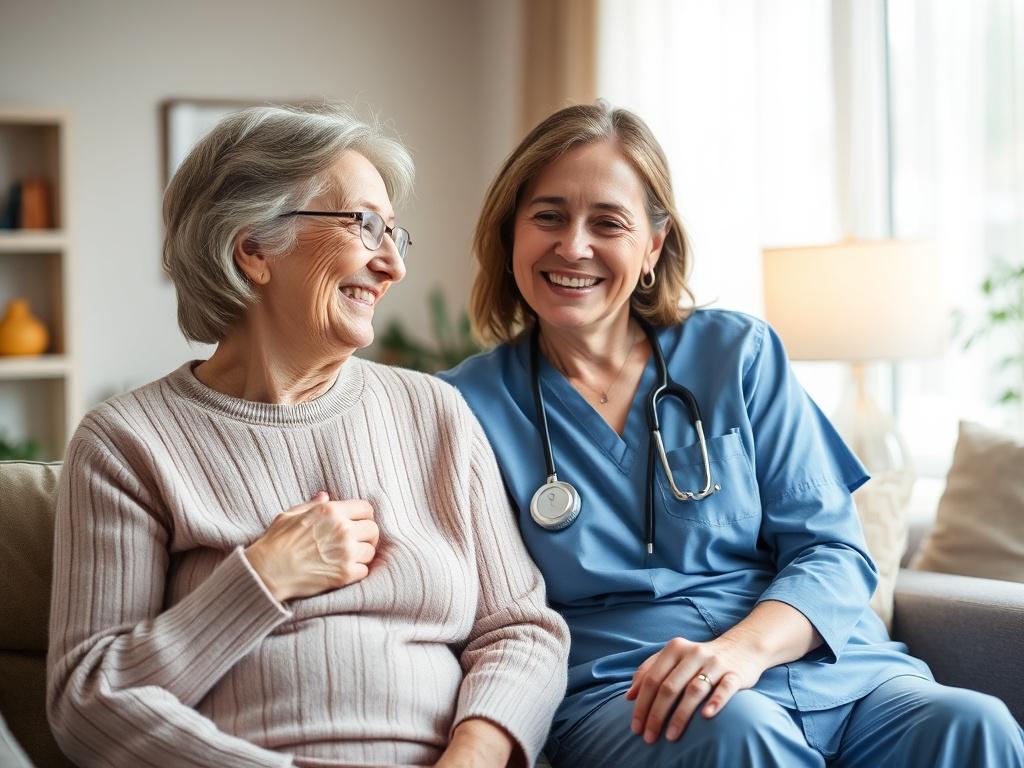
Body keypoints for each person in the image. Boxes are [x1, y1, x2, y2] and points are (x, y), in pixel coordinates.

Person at [439, 102, 1024, 768]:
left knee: (976, 725)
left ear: (653, 247)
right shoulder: (465, 405)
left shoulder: (736, 353)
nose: (574, 246)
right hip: (635, 691)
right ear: (509, 233)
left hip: (822, 667)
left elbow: (834, 552)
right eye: (548, 216)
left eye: (608, 222)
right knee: (741, 735)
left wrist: (742, 651)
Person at [46, 104, 569, 768]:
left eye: (395, 234)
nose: (392, 265)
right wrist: (262, 577)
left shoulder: (435, 413)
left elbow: (521, 630)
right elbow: (88, 701)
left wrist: (470, 759)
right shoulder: (127, 443)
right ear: (254, 250)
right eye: (365, 226)